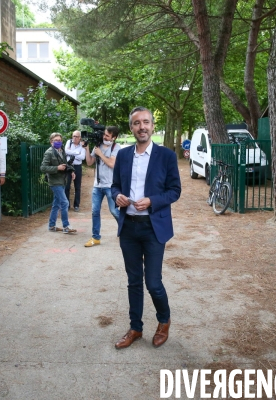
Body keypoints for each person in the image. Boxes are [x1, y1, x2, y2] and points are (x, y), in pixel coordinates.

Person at [111, 106, 181, 349]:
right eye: (137, 123)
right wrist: (117, 195)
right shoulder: (123, 155)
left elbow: (175, 191)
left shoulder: (167, 156)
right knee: (133, 281)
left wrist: (152, 201)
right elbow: (115, 186)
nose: (142, 127)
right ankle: (135, 328)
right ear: (131, 128)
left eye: (146, 122)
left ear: (152, 126)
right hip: (128, 228)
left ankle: (164, 322)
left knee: (153, 283)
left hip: (153, 228)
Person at [83, 126, 120, 247]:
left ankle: (126, 231)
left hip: (110, 185)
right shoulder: (98, 146)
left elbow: (111, 163)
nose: (104, 137)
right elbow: (89, 162)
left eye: (107, 136)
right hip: (97, 185)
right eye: (104, 135)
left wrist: (100, 154)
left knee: (114, 211)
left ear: (114, 137)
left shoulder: (116, 147)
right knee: (95, 211)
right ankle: (96, 238)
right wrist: (87, 149)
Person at [40, 132, 77, 234]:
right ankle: (66, 226)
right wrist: (57, 168)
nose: (58, 142)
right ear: (51, 141)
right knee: (65, 202)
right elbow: (43, 168)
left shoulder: (62, 151)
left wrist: (72, 171)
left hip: (63, 181)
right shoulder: (49, 153)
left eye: (60, 140)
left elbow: (66, 164)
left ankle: (51, 225)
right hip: (54, 182)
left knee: (56, 204)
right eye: (56, 140)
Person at [65, 130, 86, 212]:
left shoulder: (82, 145)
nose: (74, 138)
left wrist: (71, 154)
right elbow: (66, 151)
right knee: (67, 186)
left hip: (77, 167)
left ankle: (76, 205)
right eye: (73, 136)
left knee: (77, 187)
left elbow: (83, 157)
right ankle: (67, 205)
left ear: (80, 137)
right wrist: (77, 153)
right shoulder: (68, 142)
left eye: (76, 136)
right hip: (69, 166)